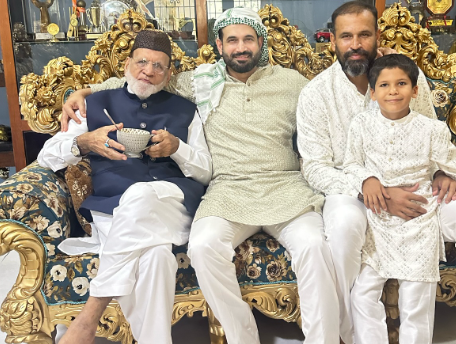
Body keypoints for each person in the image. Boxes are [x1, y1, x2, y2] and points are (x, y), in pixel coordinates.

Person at [60, 7, 340, 344]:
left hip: (286, 187)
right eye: (232, 40)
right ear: (220, 46)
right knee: (204, 246)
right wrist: (84, 92)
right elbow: (142, 78)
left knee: (314, 245)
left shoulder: (292, 83)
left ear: (260, 43)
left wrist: (372, 67)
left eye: (248, 39)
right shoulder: (198, 81)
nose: (240, 47)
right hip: (227, 190)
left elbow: (331, 95)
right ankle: (243, 338)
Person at [296, 2, 456, 344]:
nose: (356, 44)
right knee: (344, 224)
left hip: (420, 189)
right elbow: (315, 167)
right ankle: (348, 331)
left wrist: (440, 173)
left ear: (377, 36)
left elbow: (430, 135)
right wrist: (371, 190)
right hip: (354, 193)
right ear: (333, 41)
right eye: (346, 36)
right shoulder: (316, 94)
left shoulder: (403, 76)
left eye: (364, 34)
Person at [37, 29, 212, 344]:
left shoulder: (186, 109)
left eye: (159, 66)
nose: (149, 70)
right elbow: (47, 157)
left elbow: (205, 171)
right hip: (112, 210)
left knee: (142, 194)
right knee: (158, 257)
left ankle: (88, 317)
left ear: (169, 72)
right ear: (127, 64)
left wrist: (178, 149)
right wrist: (84, 142)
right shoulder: (95, 104)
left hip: (172, 203)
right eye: (142, 62)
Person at [344, 53, 456, 344]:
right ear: (372, 93)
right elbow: (351, 165)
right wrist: (366, 180)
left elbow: (455, 168)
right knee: (362, 293)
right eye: (384, 85)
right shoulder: (360, 125)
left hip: (419, 219)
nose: (393, 91)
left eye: (401, 83)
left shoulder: (432, 129)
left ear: (415, 90)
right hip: (380, 217)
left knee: (416, 301)